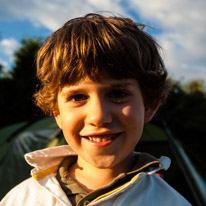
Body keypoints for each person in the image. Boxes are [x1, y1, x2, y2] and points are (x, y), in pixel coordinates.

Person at [0, 13, 191, 206]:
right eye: (78, 97)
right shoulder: (20, 200)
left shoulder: (171, 202)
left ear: (149, 106)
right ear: (57, 113)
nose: (98, 116)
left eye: (118, 94)